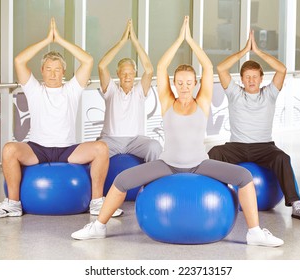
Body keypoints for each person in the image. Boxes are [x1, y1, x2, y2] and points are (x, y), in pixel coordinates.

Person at [71, 16, 284, 247]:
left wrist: (190, 41)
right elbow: (161, 67)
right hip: (168, 164)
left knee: (244, 177)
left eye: (188, 83)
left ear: (195, 84)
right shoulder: (167, 102)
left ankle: (254, 233)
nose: (184, 87)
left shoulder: (202, 102)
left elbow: (208, 67)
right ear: (174, 84)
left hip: (200, 164)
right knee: (122, 179)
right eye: (179, 83)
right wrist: (178, 40)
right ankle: (98, 227)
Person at [0, 18, 121, 218]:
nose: (52, 73)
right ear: (42, 71)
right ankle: (13, 204)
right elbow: (19, 61)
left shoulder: (72, 90)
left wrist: (60, 40)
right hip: (38, 148)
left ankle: (97, 202)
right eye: (48, 69)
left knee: (101, 148)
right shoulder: (34, 90)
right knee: (9, 149)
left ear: (63, 72)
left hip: (68, 149)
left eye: (57, 69)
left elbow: (88, 61)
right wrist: (46, 40)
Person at [208, 30, 300, 221]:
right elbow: (221, 68)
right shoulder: (234, 93)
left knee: (282, 158)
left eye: (255, 76)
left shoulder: (270, 94)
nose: (251, 80)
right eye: (247, 77)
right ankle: (208, 194)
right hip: (237, 147)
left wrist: (257, 51)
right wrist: (243, 52)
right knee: (214, 152)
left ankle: (296, 204)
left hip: (264, 147)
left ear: (261, 78)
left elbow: (282, 70)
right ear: (241, 79)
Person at [97, 19, 162, 162]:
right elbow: (102, 66)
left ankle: (151, 182)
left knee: (155, 146)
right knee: (95, 150)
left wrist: (135, 42)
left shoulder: (139, 92)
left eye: (131, 73)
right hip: (111, 140)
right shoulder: (111, 91)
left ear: (135, 74)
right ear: (118, 74)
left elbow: (149, 70)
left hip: (135, 141)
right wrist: (121, 42)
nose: (127, 77)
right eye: (124, 73)